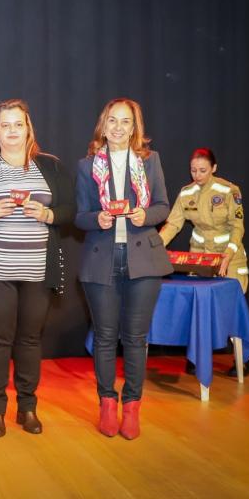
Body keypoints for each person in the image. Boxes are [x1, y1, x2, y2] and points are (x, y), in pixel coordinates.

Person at [0, 99, 74, 437]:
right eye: (4, 125)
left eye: (17, 124)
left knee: (30, 340)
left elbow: (69, 210)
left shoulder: (50, 166)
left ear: (28, 129)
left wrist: (47, 214)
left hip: (38, 271)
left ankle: (27, 407)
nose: (11, 131)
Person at [75, 98, 172, 440]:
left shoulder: (150, 161)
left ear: (134, 128)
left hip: (143, 260)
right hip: (101, 259)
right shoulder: (87, 166)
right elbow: (79, 216)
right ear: (103, 126)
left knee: (135, 338)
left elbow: (163, 206)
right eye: (112, 121)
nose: (118, 127)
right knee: (105, 337)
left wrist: (147, 215)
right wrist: (96, 218)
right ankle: (107, 404)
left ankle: (131, 407)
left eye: (125, 121)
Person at [159, 147, 249, 376]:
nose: (197, 175)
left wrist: (228, 254)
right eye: (193, 170)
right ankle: (196, 356)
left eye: (202, 170)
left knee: (230, 310)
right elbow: (173, 224)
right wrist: (156, 245)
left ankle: (244, 358)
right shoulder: (186, 193)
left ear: (214, 168)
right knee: (197, 308)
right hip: (200, 258)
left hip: (229, 256)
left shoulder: (229, 191)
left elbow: (237, 227)